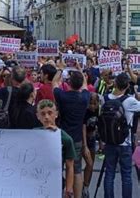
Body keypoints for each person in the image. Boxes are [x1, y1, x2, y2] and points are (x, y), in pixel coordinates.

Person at [53, 69, 90, 198]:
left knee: (59, 168)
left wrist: (60, 69)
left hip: (62, 137)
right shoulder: (85, 97)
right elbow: (85, 84)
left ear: (69, 83)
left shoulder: (62, 96)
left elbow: (54, 83)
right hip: (77, 138)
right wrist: (80, 70)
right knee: (77, 169)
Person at [102, 73, 140, 198]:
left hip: (109, 141)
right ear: (127, 85)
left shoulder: (105, 98)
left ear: (115, 83)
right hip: (125, 142)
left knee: (109, 174)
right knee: (126, 176)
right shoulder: (130, 101)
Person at [35, 99, 76, 198]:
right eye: (43, 114)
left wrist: (69, 188)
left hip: (55, 183)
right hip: (35, 181)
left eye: (50, 113)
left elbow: (70, 166)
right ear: (38, 116)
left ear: (56, 114)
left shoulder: (65, 139)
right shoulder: (34, 135)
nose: (46, 117)